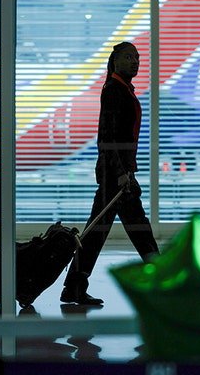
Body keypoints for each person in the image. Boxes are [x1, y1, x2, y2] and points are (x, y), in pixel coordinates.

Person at [61, 41, 160, 305]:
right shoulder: (114, 90)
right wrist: (122, 173)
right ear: (115, 61)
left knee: (99, 232)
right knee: (138, 230)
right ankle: (165, 283)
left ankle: (74, 287)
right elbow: (107, 137)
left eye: (137, 57)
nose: (134, 61)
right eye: (128, 57)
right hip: (116, 175)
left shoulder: (122, 88)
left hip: (118, 173)